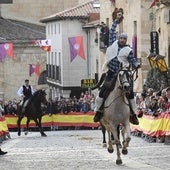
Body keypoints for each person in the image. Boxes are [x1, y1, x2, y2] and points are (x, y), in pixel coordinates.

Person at [93, 8, 141, 125]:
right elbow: (113, 30)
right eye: (121, 38)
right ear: (118, 39)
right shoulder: (112, 43)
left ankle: (134, 113)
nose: (123, 40)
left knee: (130, 92)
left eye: (124, 39)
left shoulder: (128, 50)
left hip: (123, 73)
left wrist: (136, 65)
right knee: (103, 90)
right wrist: (117, 19)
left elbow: (133, 61)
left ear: (126, 40)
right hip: (111, 72)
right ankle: (98, 111)